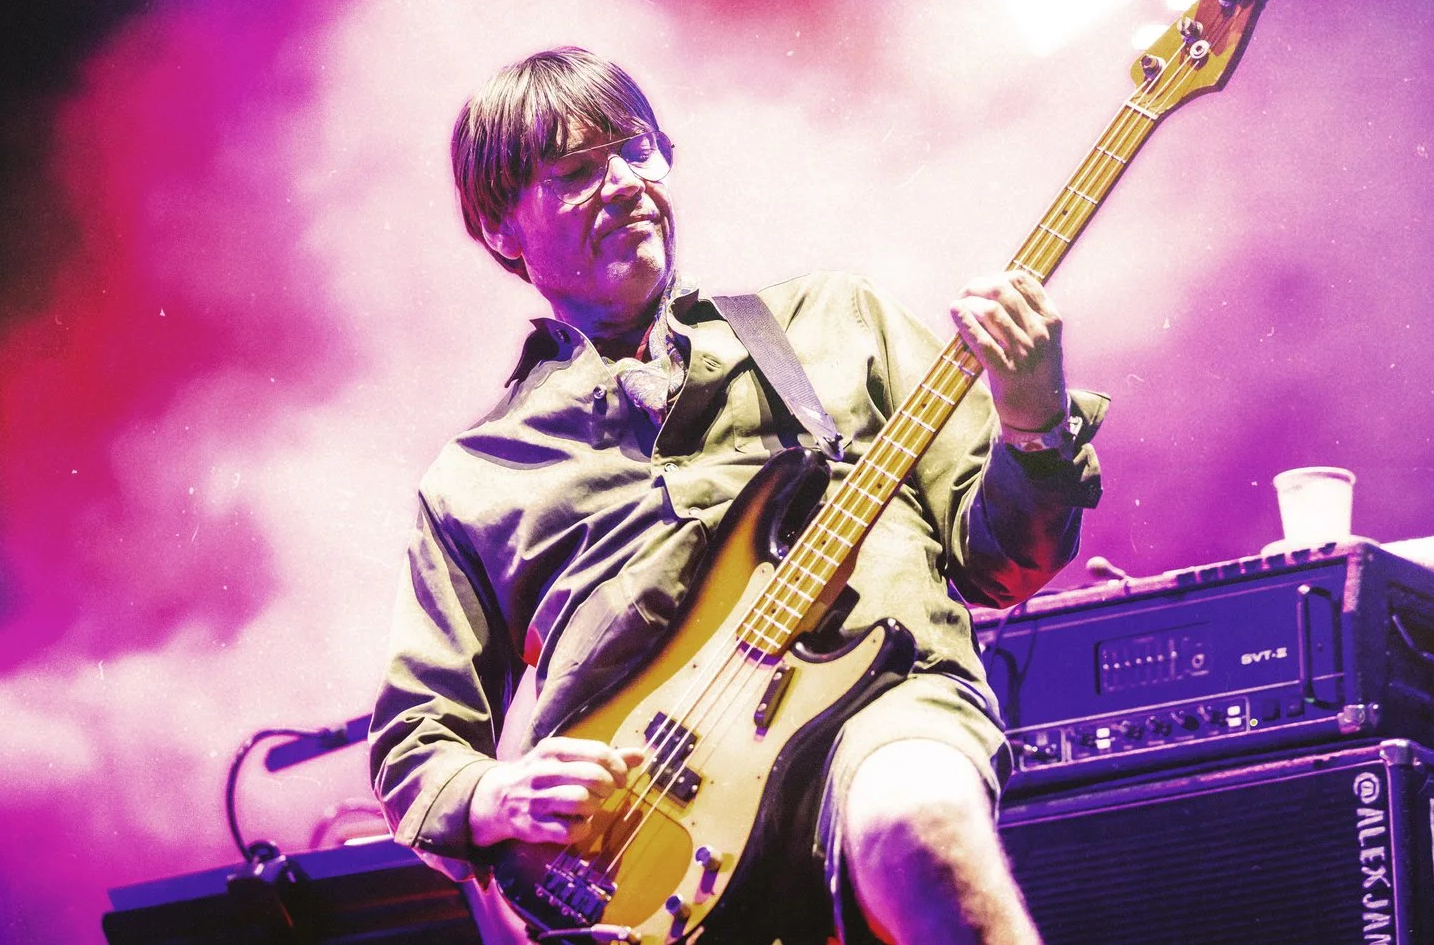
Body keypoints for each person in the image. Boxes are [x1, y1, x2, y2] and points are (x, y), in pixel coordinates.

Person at [369, 47, 1107, 945]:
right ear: (499, 228)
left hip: (875, 714)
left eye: (640, 151)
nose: (628, 183)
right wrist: (491, 793)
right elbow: (416, 732)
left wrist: (1032, 422)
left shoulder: (834, 322)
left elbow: (1003, 562)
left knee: (917, 825)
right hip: (631, 852)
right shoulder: (475, 476)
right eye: (576, 171)